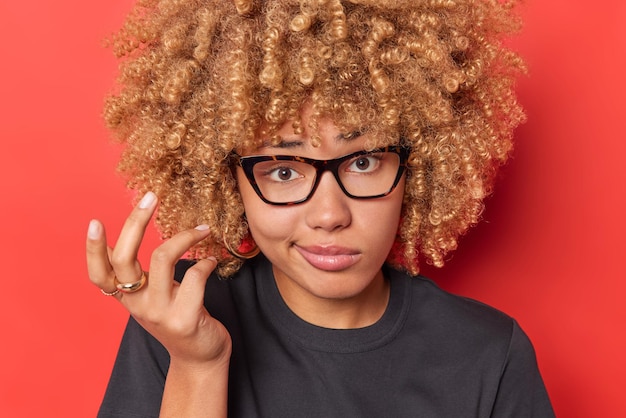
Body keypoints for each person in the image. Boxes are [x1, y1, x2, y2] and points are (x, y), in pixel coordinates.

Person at [86, 0, 554, 416]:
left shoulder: (488, 355)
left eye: (364, 162)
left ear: (421, 166)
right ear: (230, 182)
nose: (330, 214)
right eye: (284, 171)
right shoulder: (182, 314)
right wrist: (197, 365)